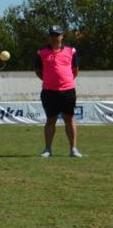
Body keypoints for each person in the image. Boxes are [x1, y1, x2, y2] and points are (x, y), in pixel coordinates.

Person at [36, 25, 81, 158]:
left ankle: (73, 149)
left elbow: (75, 70)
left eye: (57, 34)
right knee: (51, 120)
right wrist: (50, 81)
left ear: (62, 36)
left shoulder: (71, 51)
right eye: (52, 35)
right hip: (49, 91)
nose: (55, 37)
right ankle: (48, 149)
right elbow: (38, 71)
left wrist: (65, 81)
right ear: (49, 37)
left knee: (69, 119)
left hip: (68, 91)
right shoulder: (41, 52)